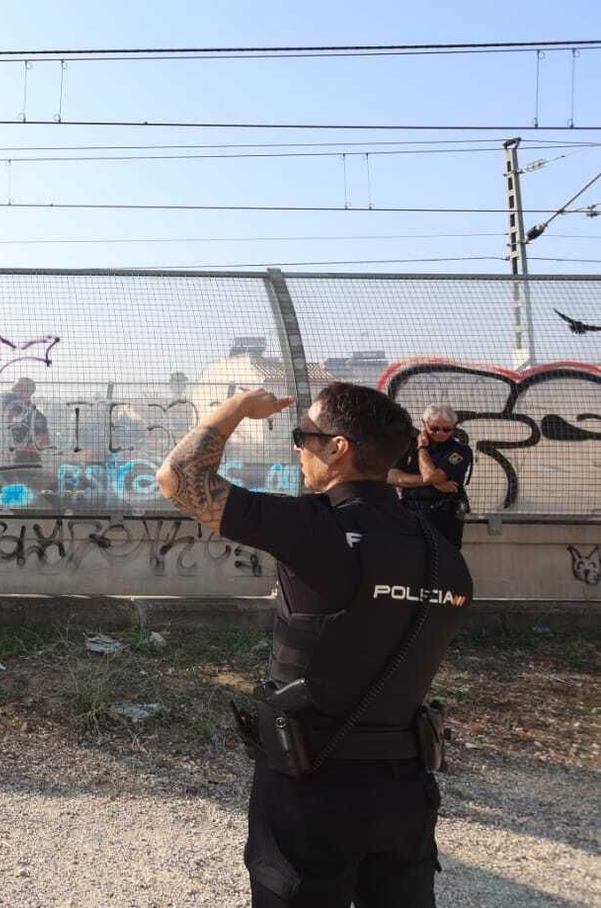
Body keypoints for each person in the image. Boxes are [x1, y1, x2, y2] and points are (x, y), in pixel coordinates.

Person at [157, 383, 473, 907]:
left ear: (337, 448)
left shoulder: (314, 527)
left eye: (304, 435)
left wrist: (238, 407)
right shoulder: (448, 559)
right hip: (407, 790)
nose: (299, 446)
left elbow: (179, 479)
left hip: (312, 787)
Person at [388, 404, 473, 549]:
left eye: (447, 430)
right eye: (434, 428)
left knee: (444, 559)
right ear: (424, 423)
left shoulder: (460, 451)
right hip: (411, 511)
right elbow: (392, 477)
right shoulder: (407, 445)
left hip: (444, 515)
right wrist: (435, 482)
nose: (440, 433)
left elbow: (432, 476)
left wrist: (422, 449)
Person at [0, 376, 53, 506]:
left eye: (18, 388)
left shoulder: (34, 417)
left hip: (22, 469)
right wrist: (7, 484)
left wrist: (13, 483)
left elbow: (44, 442)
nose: (14, 390)